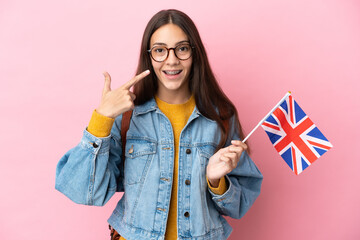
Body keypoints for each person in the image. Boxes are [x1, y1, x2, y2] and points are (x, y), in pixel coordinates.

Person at [55, 9, 263, 240]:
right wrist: (102, 117)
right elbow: (81, 191)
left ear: (195, 54)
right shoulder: (125, 116)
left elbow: (240, 204)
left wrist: (216, 181)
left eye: (182, 49)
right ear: (149, 56)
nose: (171, 60)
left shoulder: (221, 116)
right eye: (160, 50)